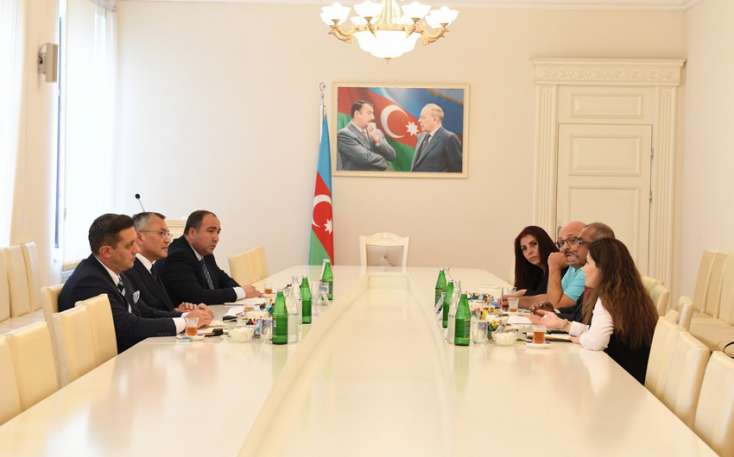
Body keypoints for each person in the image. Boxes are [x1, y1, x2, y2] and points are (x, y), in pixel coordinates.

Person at [58, 214, 212, 353]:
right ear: (106, 252)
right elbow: (129, 327)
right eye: (129, 245)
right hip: (107, 367)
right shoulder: (89, 282)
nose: (137, 250)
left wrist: (187, 315)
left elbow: (144, 311)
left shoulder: (116, 271)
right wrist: (187, 322)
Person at [531, 238, 657, 383]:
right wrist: (563, 325)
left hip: (622, 380)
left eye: (588, 263)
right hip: (632, 376)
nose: (583, 269)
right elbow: (597, 331)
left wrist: (579, 339)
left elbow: (597, 341)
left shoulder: (608, 298)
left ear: (603, 269)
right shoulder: (627, 294)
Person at [156, 210, 260, 305]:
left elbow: (221, 277)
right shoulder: (177, 256)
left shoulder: (205, 252)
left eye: (218, 232)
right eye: (210, 231)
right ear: (192, 233)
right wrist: (241, 292)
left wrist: (244, 291)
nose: (216, 238)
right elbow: (196, 296)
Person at [126, 212, 211, 316]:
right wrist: (183, 316)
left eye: (167, 234)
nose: (168, 240)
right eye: (161, 233)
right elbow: (143, 314)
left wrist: (176, 311)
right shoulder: (128, 270)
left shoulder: (151, 268)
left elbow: (157, 309)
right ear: (139, 237)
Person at [337, 100, 396, 171]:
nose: (373, 117)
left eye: (373, 113)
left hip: (378, 177)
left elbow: (392, 156)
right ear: (357, 114)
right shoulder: (344, 134)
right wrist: (385, 161)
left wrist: (378, 142)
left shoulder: (377, 132)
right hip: (357, 177)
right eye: (369, 113)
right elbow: (364, 158)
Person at [410, 103, 462, 172]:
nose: (419, 120)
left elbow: (457, 170)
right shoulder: (421, 137)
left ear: (435, 119)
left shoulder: (449, 138)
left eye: (423, 117)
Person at [513, 226, 559, 296]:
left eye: (534, 244)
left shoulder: (560, 267)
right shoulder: (535, 272)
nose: (529, 252)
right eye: (524, 248)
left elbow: (551, 299)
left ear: (544, 243)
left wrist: (525, 293)